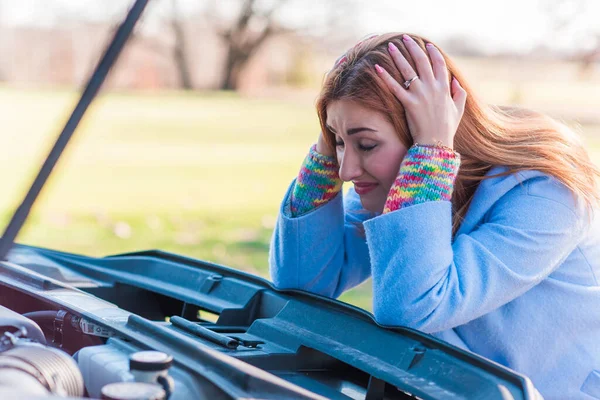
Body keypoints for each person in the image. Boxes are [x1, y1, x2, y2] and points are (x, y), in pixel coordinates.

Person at [268, 32, 600, 399]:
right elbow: (302, 280)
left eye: (366, 144)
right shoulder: (396, 189)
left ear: (427, 130)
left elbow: (414, 308)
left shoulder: (544, 194)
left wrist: (430, 156)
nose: (345, 171)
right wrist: (327, 143)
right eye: (339, 143)